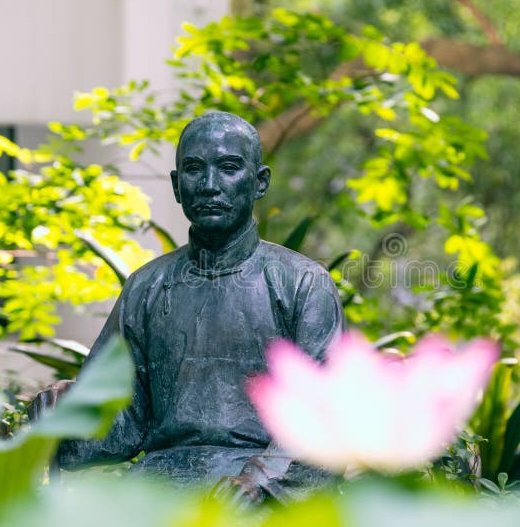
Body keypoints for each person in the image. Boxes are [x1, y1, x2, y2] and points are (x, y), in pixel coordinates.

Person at [32, 111, 343, 504]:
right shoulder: (146, 286)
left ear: (259, 182)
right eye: (195, 170)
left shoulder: (302, 283)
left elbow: (323, 413)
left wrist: (260, 482)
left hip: (255, 491)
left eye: (229, 168)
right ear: (177, 187)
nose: (210, 185)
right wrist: (66, 414)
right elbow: (123, 422)